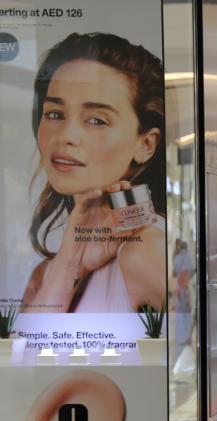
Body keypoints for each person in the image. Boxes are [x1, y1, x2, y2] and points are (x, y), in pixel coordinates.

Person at [21, 33, 166, 314]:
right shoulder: (47, 273)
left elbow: (196, 352)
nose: (66, 135)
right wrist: (70, 264)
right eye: (54, 114)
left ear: (146, 144)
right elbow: (28, 355)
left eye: (97, 120)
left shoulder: (147, 252)